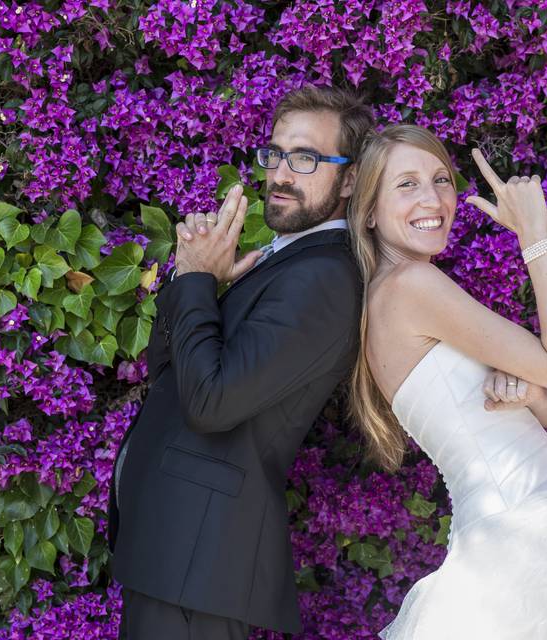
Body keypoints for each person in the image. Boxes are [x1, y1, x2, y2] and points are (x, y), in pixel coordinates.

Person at [347, 124, 547, 639]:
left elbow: (540, 409)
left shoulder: (393, 294)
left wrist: (533, 392)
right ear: (369, 211)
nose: (433, 198)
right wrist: (535, 237)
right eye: (406, 184)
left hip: (513, 532)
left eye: (441, 179)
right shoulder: (411, 286)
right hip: (527, 541)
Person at [108, 85, 374, 640]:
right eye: (274, 154)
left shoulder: (323, 277)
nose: (280, 173)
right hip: (176, 554)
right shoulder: (286, 262)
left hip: (198, 558)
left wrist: (203, 280)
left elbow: (212, 404)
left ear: (349, 179)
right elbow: (169, 375)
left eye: (305, 159)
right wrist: (193, 276)